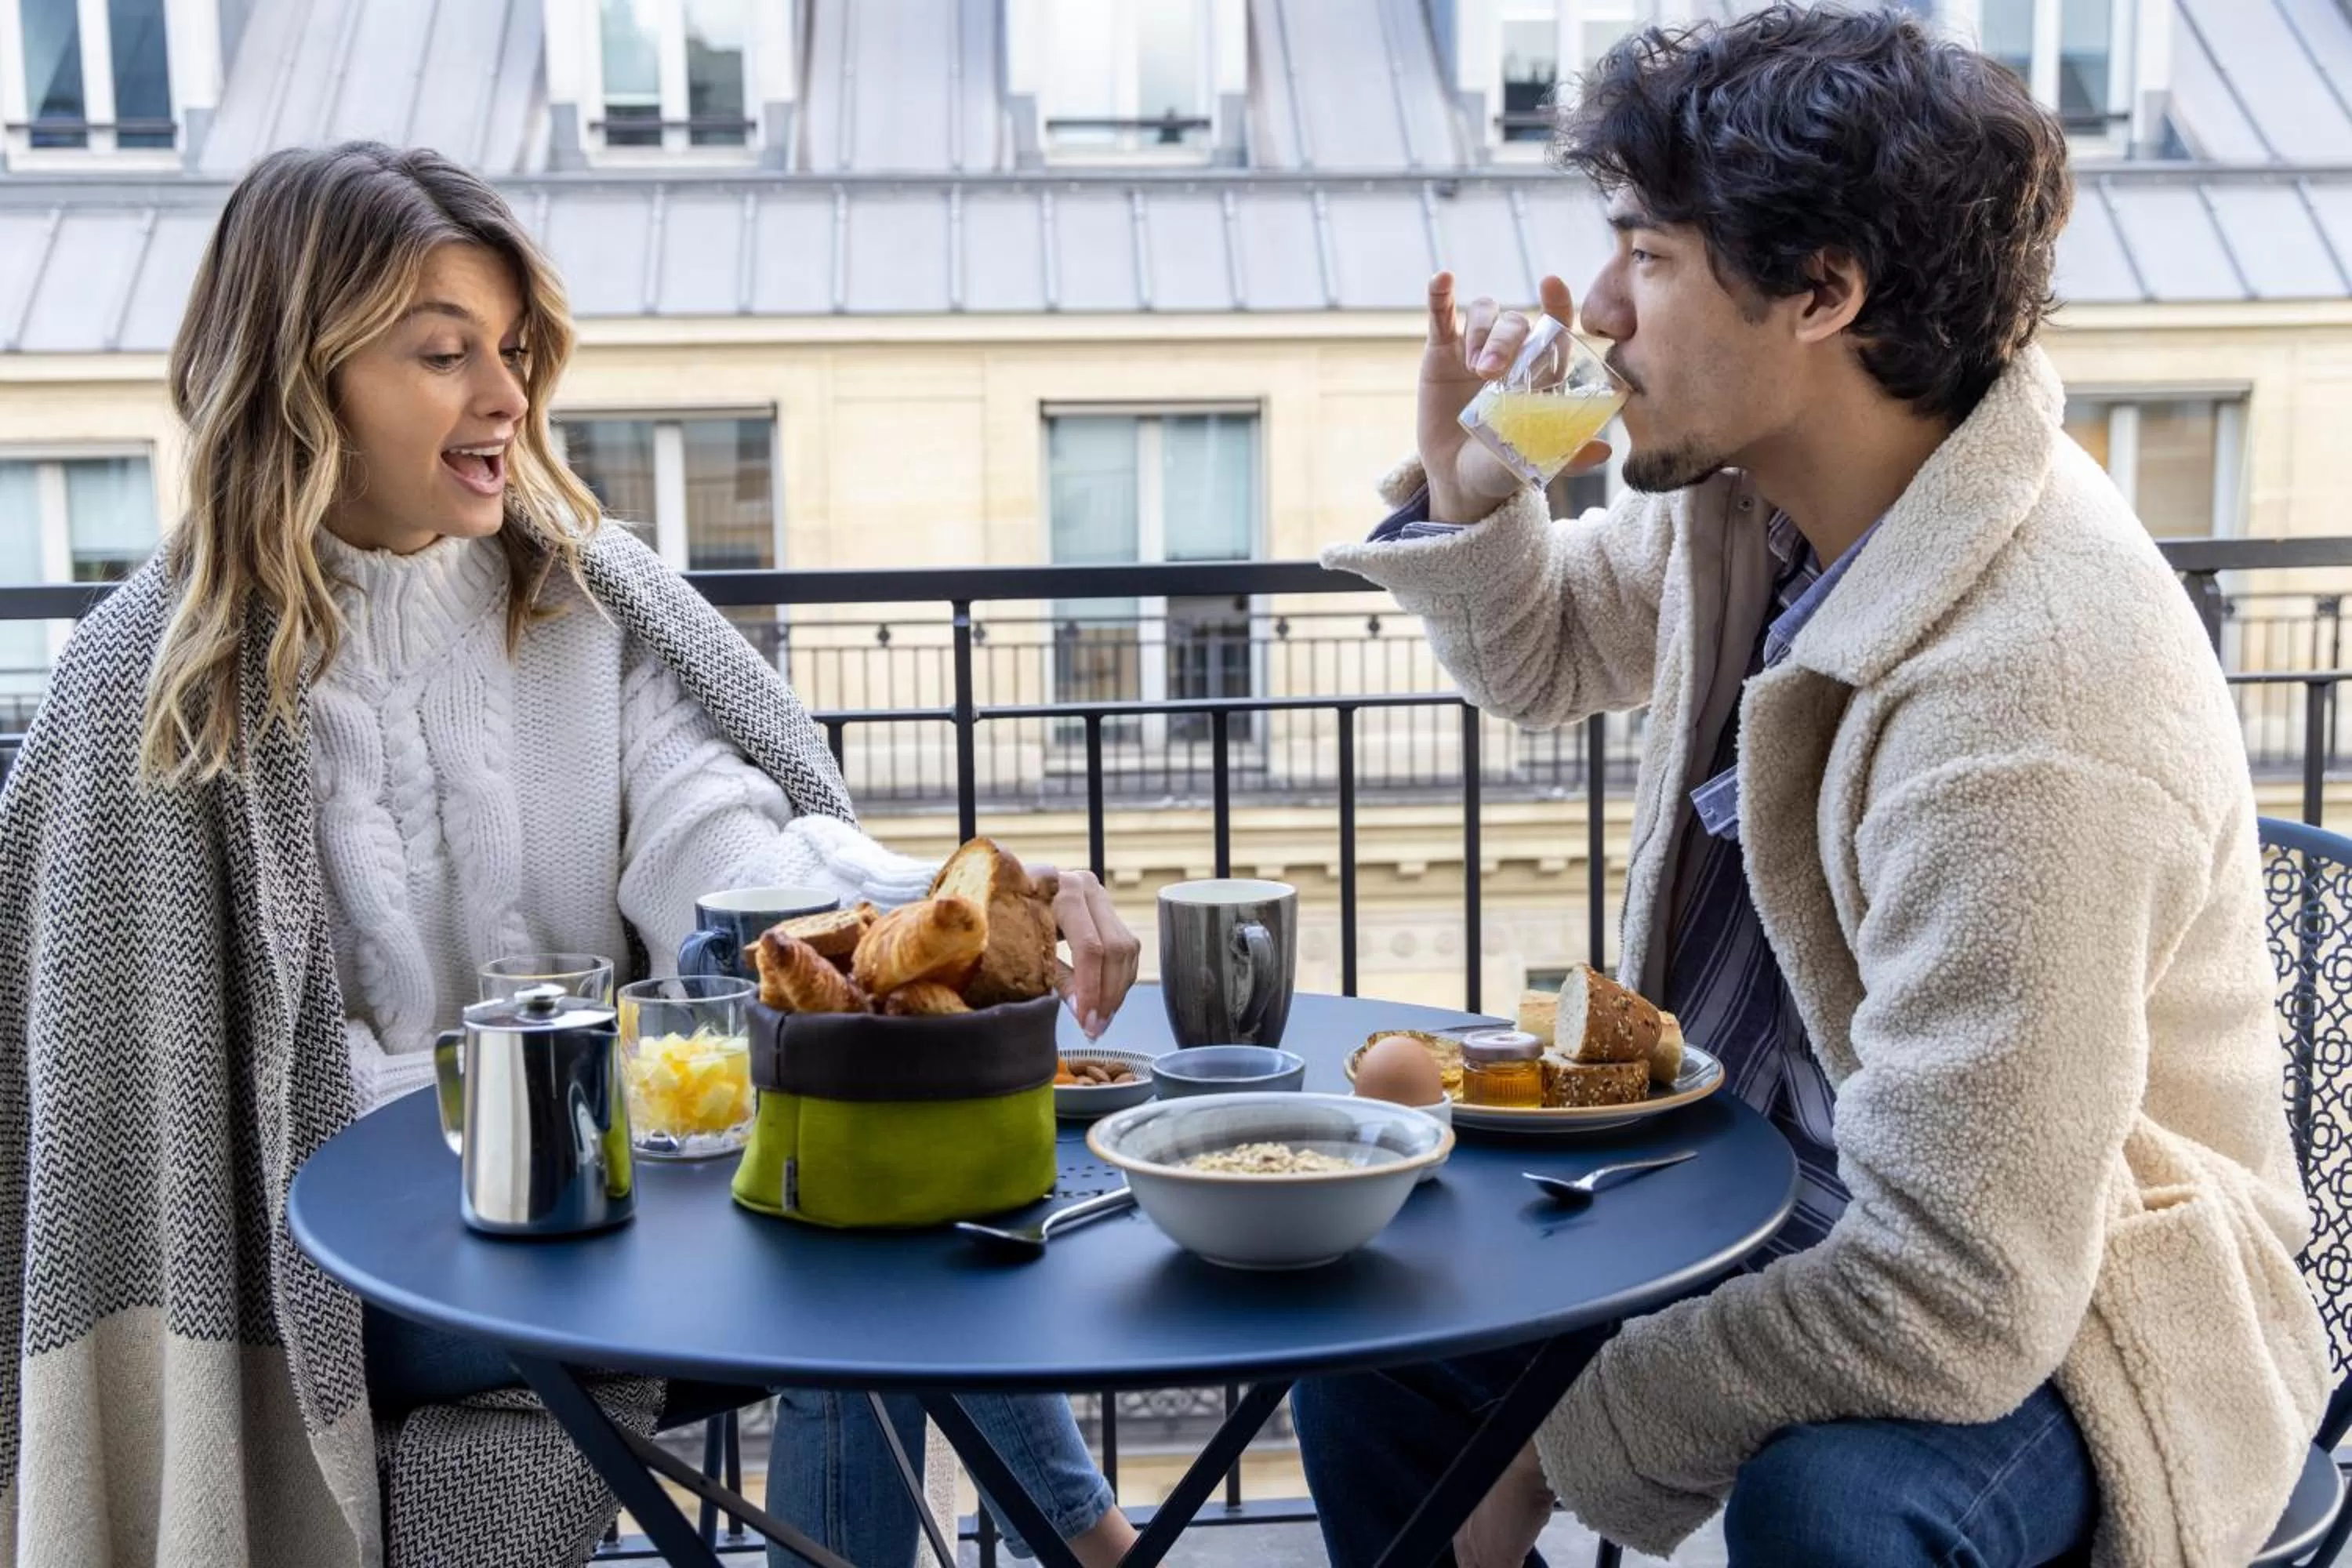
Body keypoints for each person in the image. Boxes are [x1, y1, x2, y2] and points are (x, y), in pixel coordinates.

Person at [0, 140, 1137, 1568]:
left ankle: (1077, 1542)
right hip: (342, 1275)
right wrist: (557, 1112)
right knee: (849, 1233)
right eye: (442, 354)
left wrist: (946, 904)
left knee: (873, 1172)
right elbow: (150, 1119)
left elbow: (716, 837)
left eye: (517, 349)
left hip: (607, 1194)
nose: (506, 398)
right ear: (303, 376)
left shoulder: (579, 589)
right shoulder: (159, 682)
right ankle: (1093, 1543)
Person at [1298, 8, 2329, 1566]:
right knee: (1382, 1339)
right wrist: (1480, 480)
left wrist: (1559, 1446)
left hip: (2085, 1305)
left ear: (1824, 292)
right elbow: (1550, 653)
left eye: (1648, 255)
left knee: (1834, 1506)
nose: (1594, 312)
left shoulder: (2034, 691)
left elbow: (1966, 1294)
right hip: (1777, 1175)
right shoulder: (1766, 496)